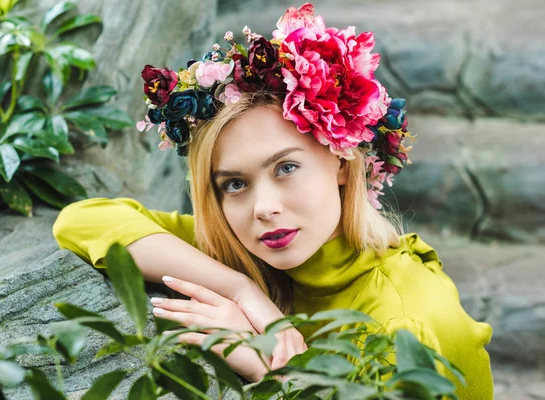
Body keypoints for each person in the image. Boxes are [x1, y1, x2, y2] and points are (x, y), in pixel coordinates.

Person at [52, 3, 493, 398]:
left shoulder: (404, 323)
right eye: (235, 184)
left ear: (342, 161)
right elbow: (82, 221)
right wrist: (241, 290)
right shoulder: (247, 255)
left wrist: (279, 373)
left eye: (285, 168)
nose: (263, 207)